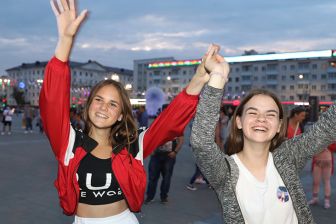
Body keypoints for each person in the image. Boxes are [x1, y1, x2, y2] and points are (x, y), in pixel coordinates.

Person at [190, 11, 336, 223]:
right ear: (239, 122)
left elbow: (333, 120)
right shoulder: (225, 171)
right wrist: (217, 77)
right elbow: (201, 143)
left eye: (270, 114)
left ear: (279, 125)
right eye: (253, 113)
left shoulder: (286, 158)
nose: (262, 119)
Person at [40, 0, 211, 223]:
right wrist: (65, 43)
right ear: (89, 105)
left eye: (113, 104)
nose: (103, 107)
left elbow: (168, 124)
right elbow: (52, 102)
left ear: (121, 114)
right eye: (99, 100)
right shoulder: (68, 143)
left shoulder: (133, 144)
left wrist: (197, 80)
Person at [145, 135, 184, 204]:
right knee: (152, 178)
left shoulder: (176, 126)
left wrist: (175, 151)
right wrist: (150, 149)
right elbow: (150, 136)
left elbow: (181, 139)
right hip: (156, 155)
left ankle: (164, 197)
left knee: (166, 178)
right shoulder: (157, 125)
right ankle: (150, 197)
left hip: (169, 156)